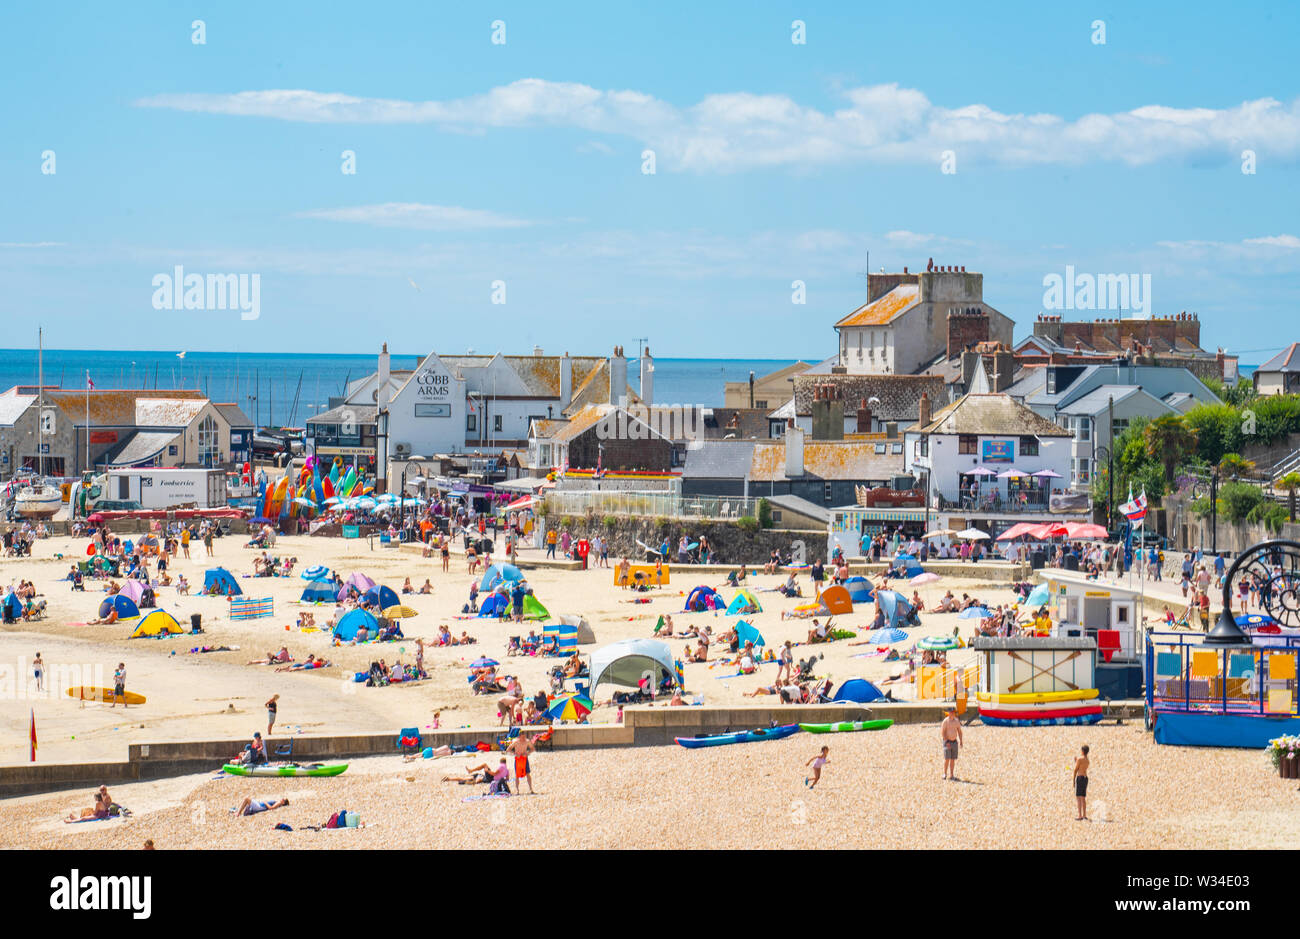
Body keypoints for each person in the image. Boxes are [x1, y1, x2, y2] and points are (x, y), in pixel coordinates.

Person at [941, 708, 963, 780]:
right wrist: (946, 741)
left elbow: (959, 731)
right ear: (948, 713)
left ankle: (952, 775)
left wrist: (961, 741)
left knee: (953, 759)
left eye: (953, 712)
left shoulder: (956, 721)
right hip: (947, 741)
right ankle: (944, 773)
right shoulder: (945, 721)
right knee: (947, 758)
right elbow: (943, 732)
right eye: (951, 712)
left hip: (954, 742)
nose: (952, 714)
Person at [1073, 744, 1091, 821]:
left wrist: (1073, 780)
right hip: (1085, 778)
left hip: (1080, 778)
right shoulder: (1087, 760)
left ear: (1083, 751)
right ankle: (1084, 815)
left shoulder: (1080, 759)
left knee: (1078, 797)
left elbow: (1076, 769)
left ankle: (1080, 815)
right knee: (1083, 797)